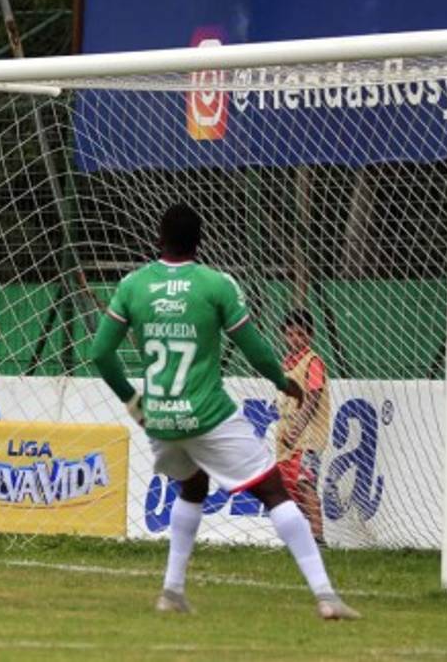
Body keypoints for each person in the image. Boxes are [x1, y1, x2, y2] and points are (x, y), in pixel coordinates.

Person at [88, 204, 359, 620]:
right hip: (208, 414)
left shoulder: (132, 285)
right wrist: (284, 382)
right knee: (273, 492)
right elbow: (255, 348)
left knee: (193, 486)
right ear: (200, 242)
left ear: (158, 239)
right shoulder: (217, 284)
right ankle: (325, 595)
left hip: (160, 419)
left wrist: (136, 405)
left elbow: (101, 354)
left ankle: (172, 592)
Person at [276, 308, 330, 545]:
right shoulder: (285, 364)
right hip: (286, 437)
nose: (294, 339)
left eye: (300, 334)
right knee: (290, 488)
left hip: (308, 436)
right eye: (290, 334)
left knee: (305, 481)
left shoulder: (313, 361)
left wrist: (298, 426)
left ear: (310, 335)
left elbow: (313, 396)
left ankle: (318, 537)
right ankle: (303, 537)